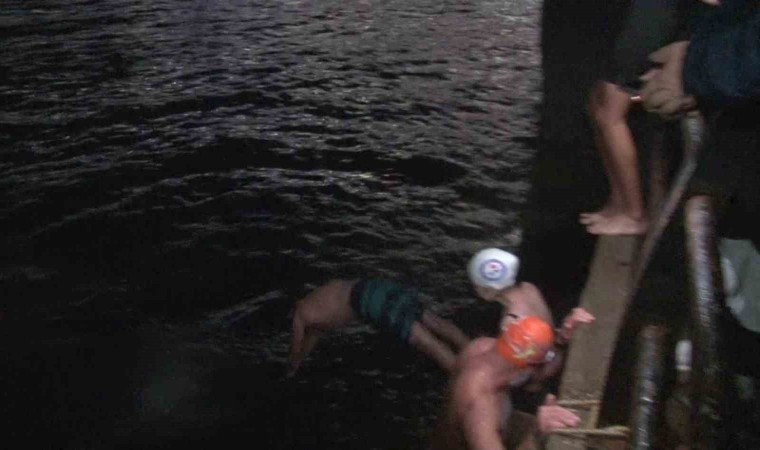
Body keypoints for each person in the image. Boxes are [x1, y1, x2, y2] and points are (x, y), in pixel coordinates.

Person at [427, 286, 595, 450]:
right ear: (524, 370)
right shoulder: (480, 408)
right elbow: (541, 373)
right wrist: (536, 434)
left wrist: (562, 339)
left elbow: (539, 369)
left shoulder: (484, 347)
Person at [581, 0, 686, 235]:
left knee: (609, 114)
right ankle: (619, 201)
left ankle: (633, 215)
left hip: (655, 14)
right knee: (596, 105)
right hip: (639, 12)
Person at [287, 278, 470, 376]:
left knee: (425, 341)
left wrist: (291, 368)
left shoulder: (300, 314)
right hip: (374, 285)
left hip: (366, 301)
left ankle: (465, 376)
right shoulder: (317, 301)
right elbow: (312, 337)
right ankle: (470, 347)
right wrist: (300, 362)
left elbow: (297, 345)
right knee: (433, 321)